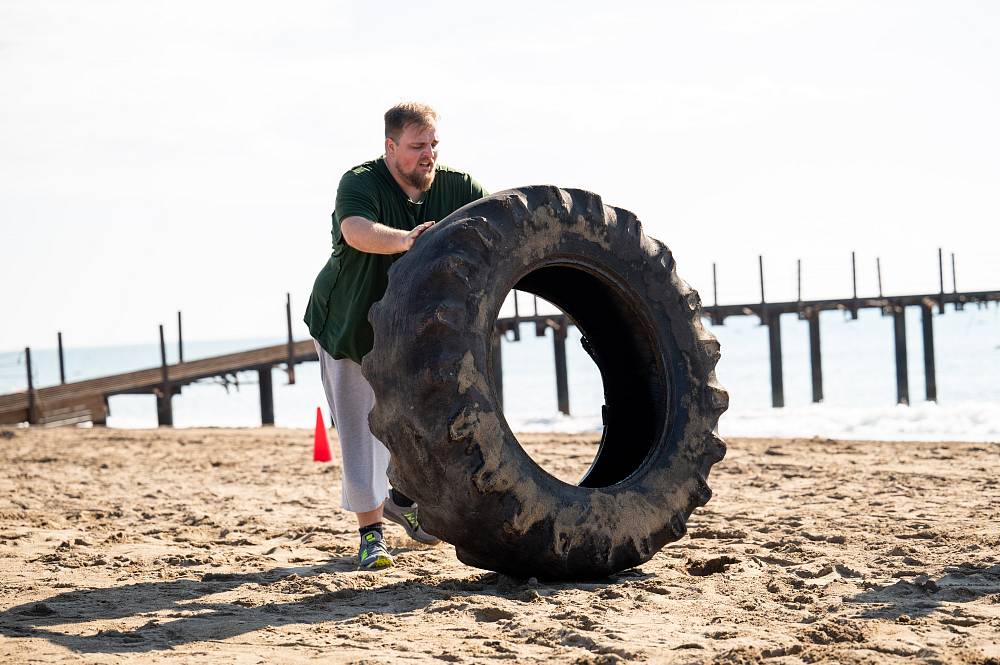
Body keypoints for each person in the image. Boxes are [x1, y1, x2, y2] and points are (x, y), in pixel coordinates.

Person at [304, 102, 488, 570]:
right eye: (416, 146)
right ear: (390, 148)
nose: (428, 155)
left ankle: (403, 499)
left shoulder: (457, 186)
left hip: (413, 330)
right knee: (360, 431)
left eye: (432, 145)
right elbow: (356, 232)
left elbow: (496, 230)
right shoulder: (361, 181)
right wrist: (408, 240)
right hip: (349, 325)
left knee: (425, 419)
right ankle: (371, 536)